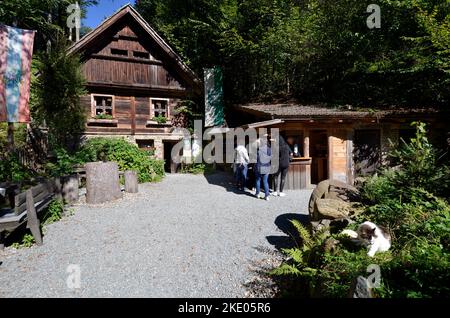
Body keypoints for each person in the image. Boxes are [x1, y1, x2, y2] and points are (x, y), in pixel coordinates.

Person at [255, 136, 272, 201]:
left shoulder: (258, 149)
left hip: (259, 166)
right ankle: (267, 196)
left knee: (258, 180)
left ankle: (257, 194)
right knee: (265, 181)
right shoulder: (269, 149)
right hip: (267, 166)